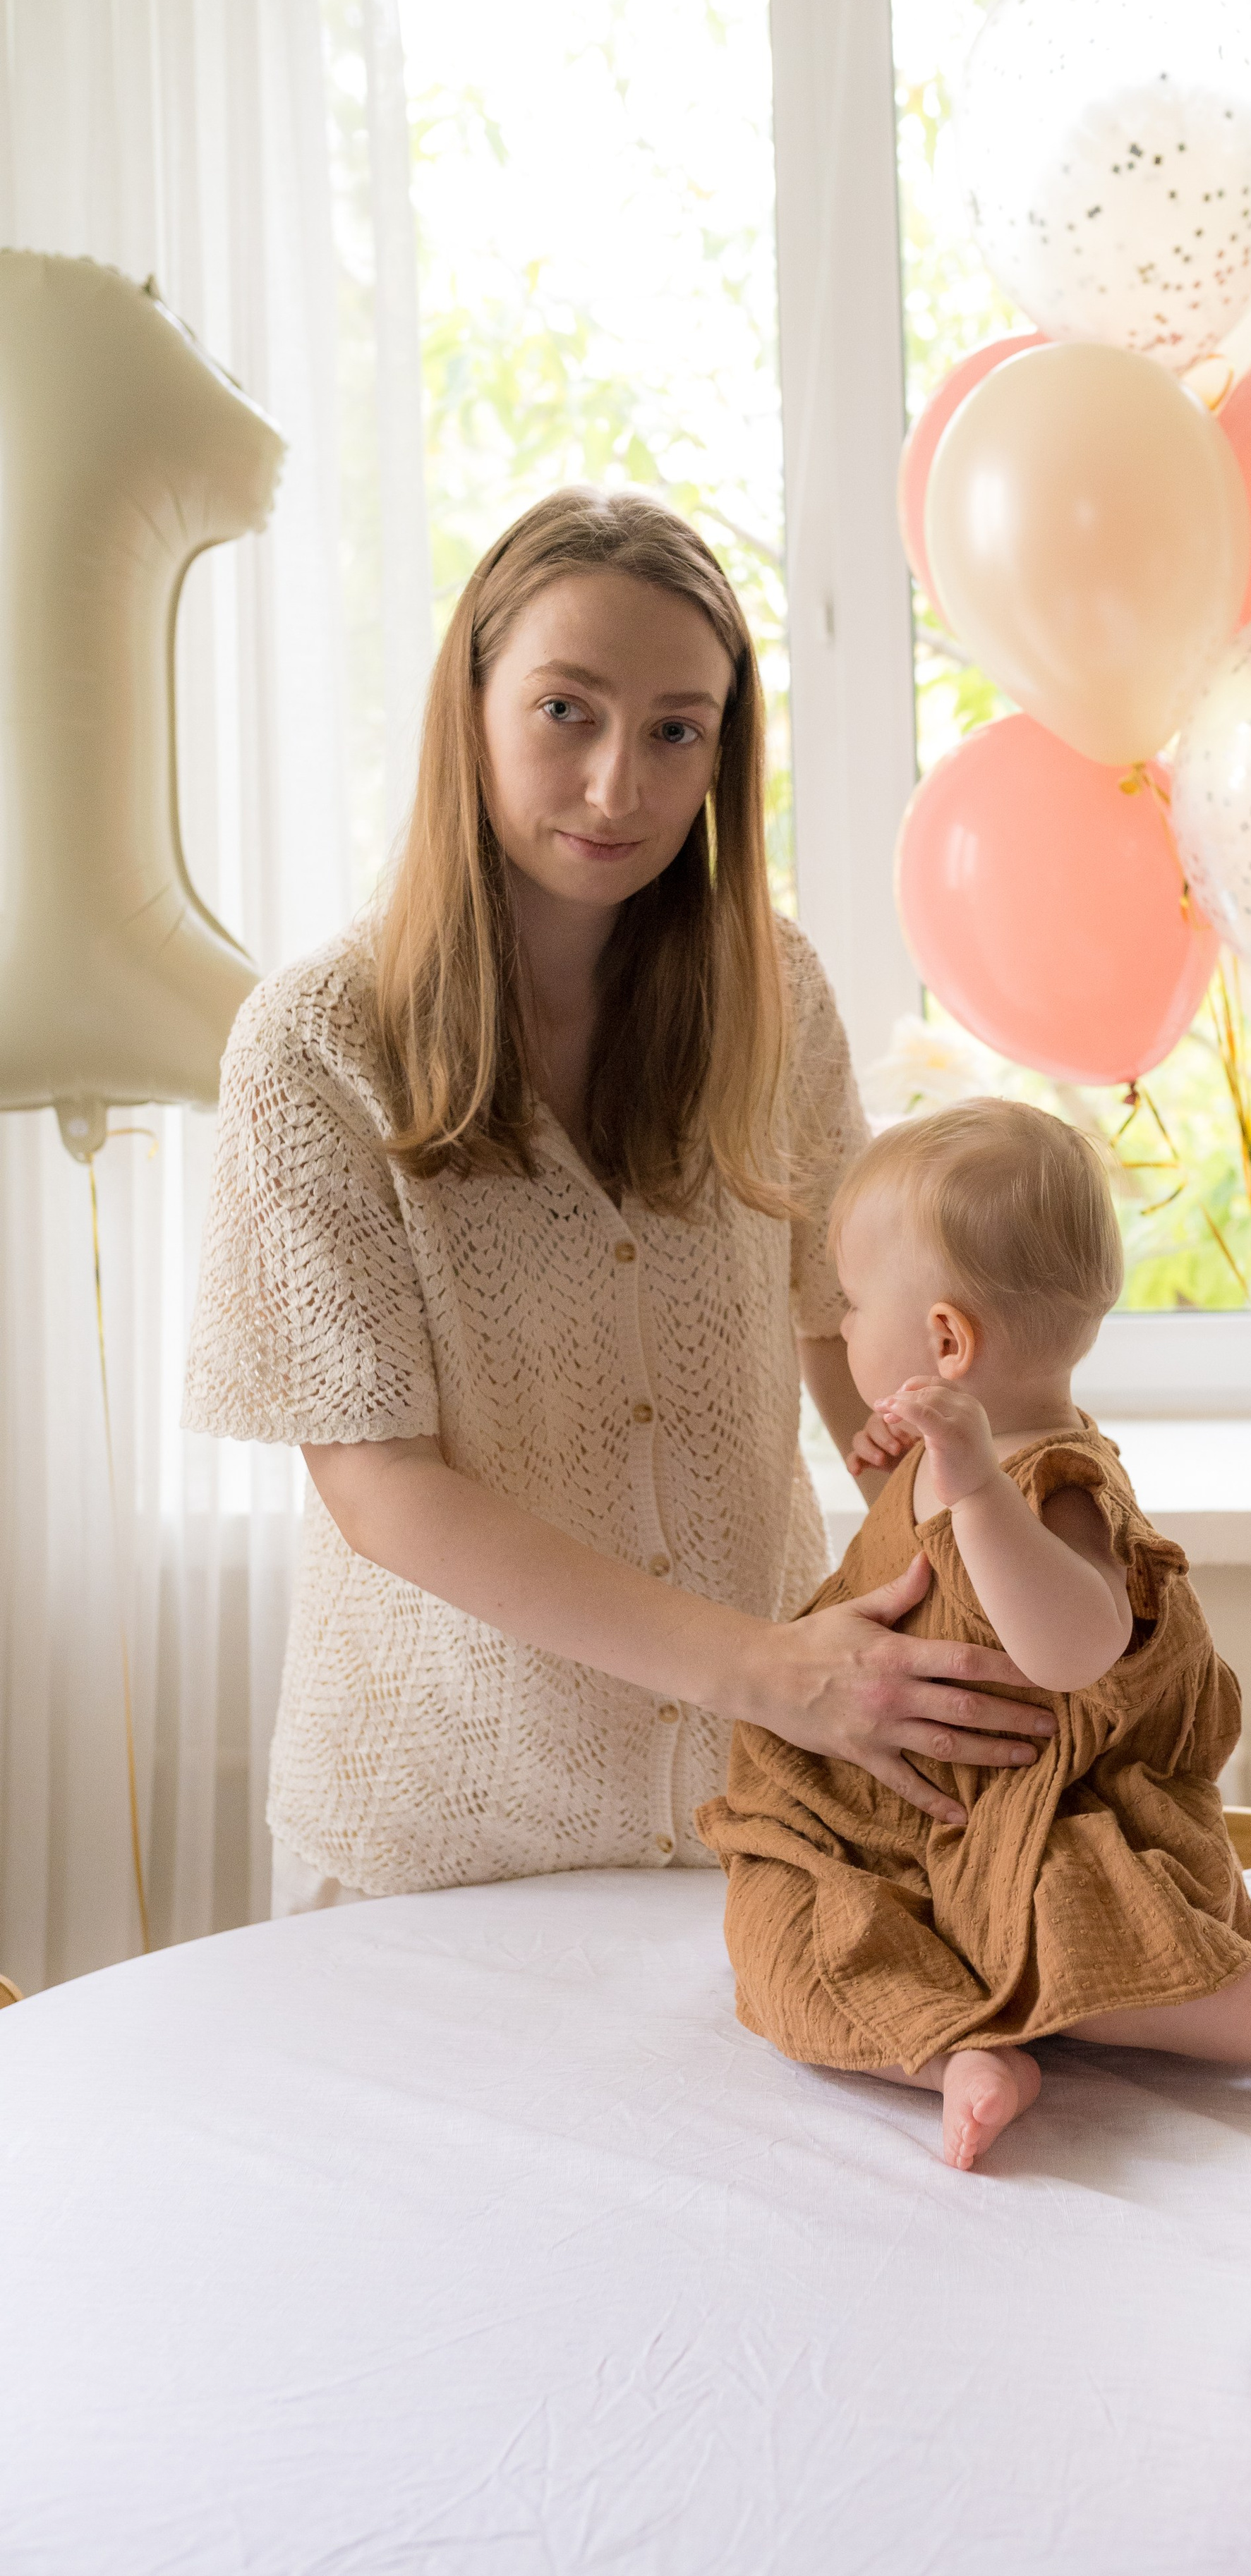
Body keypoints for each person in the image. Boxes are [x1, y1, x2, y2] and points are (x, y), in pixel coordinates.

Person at [183, 488, 1055, 1911]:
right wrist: (771, 1669)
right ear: (470, 709)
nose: (617, 788)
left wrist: (991, 1542)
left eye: (673, 729)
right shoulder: (315, 1046)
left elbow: (847, 1335)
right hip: (436, 1847)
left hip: (757, 1812)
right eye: (565, 712)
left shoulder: (776, 997)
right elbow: (380, 1489)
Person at [698, 1100, 1251, 2170]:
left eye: (851, 1304)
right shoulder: (942, 1449)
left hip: (1031, 1823)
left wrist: (975, 1485)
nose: (839, 1329)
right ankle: (954, 2056)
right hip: (891, 1832)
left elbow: (1074, 1649)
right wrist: (917, 1460)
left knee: (1083, 1927)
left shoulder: (1054, 1483)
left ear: (944, 1340)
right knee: (787, 1936)